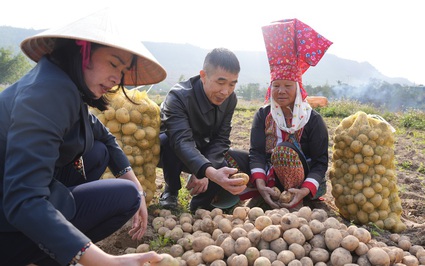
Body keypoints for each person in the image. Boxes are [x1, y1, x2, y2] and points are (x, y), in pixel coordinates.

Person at [0, 8, 168, 266]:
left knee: (98, 152)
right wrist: (106, 261)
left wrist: (135, 182)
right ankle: (49, 252)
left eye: (123, 71)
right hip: (11, 217)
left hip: (15, 192)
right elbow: (24, 200)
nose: (117, 78)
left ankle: (56, 238)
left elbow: (103, 134)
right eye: (113, 64)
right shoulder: (47, 95)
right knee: (125, 196)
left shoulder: (62, 83)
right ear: (82, 51)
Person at [239, 18, 332, 210]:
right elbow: (256, 152)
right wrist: (260, 182)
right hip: (268, 177)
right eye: (276, 86)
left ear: (298, 89)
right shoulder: (263, 114)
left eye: (288, 86)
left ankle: (295, 199)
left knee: (283, 152)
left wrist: (306, 189)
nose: (281, 91)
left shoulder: (312, 120)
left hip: (303, 180)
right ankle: (262, 192)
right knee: (224, 157)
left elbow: (320, 161)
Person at [159, 47, 247, 212]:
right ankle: (171, 190)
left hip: (204, 147)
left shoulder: (230, 99)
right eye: (220, 82)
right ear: (203, 76)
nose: (225, 91)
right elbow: (181, 141)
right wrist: (207, 171)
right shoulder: (178, 97)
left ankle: (199, 206)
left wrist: (206, 169)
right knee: (168, 142)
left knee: (229, 161)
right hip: (172, 150)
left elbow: (222, 139)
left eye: (232, 84)